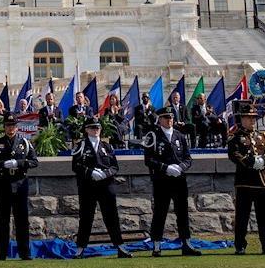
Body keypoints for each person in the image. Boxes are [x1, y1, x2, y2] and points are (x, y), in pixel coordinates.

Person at [142, 108, 200, 257]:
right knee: (160, 213)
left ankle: (186, 243)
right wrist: (165, 168)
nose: (169, 120)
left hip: (179, 179)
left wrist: (180, 167)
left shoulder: (179, 136)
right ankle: (156, 245)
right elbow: (148, 160)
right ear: (160, 119)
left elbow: (188, 158)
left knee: (182, 212)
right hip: (162, 180)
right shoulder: (153, 136)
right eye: (166, 117)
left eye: (171, 117)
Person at [227, 99, 265, 255]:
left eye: (253, 118)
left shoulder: (263, 136)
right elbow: (234, 154)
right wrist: (250, 162)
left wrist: (263, 160)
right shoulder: (235, 136)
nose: (251, 120)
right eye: (249, 117)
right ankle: (240, 245)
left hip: (262, 181)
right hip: (245, 181)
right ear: (242, 119)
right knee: (242, 216)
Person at [71, 118, 129, 258]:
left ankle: (120, 246)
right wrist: (90, 172)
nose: (95, 130)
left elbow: (115, 166)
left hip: (106, 185)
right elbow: (76, 166)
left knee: (112, 217)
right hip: (88, 186)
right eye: (92, 128)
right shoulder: (81, 146)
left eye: (97, 128)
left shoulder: (106, 146)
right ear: (86, 130)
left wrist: (105, 173)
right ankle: (80, 249)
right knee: (86, 217)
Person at [0, 114, 38, 260]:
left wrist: (18, 163)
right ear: (4, 127)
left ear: (17, 127)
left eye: (13, 125)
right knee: (2, 219)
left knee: (22, 219)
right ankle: (1, 254)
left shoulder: (24, 142)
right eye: (8, 125)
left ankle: (24, 253)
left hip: (20, 183)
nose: (10, 128)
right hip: (2, 184)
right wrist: (2, 164)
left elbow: (34, 161)